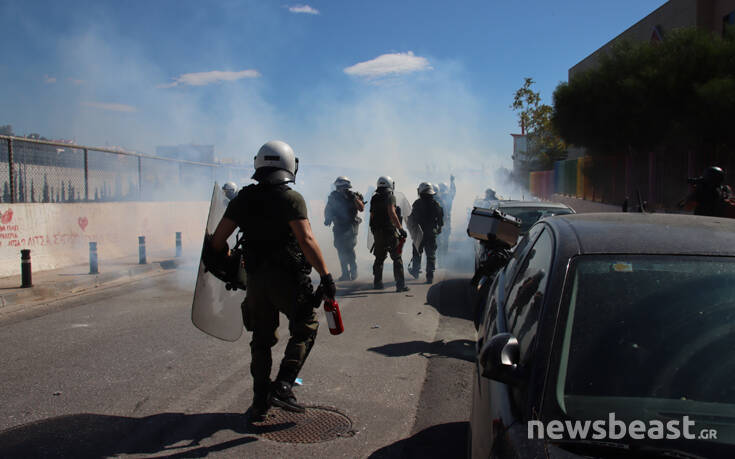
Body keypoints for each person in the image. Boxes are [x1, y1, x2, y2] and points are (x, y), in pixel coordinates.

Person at [209, 140, 336, 422]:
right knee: (306, 327)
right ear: (289, 165)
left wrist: (230, 262)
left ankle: (259, 404)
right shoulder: (291, 199)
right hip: (287, 280)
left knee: (261, 340)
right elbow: (306, 240)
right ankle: (284, 384)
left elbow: (218, 241)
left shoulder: (243, 199)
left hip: (255, 281)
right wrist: (325, 276)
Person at [369, 176, 409, 292]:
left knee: (379, 258)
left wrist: (374, 230)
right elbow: (392, 212)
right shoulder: (390, 197)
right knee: (396, 258)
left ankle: (377, 283)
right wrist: (400, 228)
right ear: (390, 185)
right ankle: (400, 285)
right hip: (389, 231)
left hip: (377, 232)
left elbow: (372, 216)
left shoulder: (374, 198)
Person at [324, 176, 365, 281]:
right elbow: (328, 209)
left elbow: (361, 208)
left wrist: (354, 198)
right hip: (339, 226)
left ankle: (353, 270)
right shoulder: (333, 197)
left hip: (351, 226)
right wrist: (328, 218)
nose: (342, 189)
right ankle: (345, 274)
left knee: (349, 248)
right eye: (341, 187)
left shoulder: (354, 196)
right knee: (340, 248)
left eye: (344, 187)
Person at [408, 182, 444, 284]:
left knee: (416, 251)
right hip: (431, 233)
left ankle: (415, 271)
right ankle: (430, 275)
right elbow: (440, 218)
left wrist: (412, 229)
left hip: (419, 233)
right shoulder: (436, 204)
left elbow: (412, 218)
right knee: (431, 254)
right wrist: (439, 228)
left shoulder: (417, 203)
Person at [436, 176, 456, 260]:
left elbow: (453, 192)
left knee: (441, 240)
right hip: (443, 221)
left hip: (443, 221)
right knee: (442, 240)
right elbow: (453, 191)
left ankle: (441, 258)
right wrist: (452, 182)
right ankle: (441, 258)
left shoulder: (444, 197)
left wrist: (452, 182)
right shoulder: (439, 197)